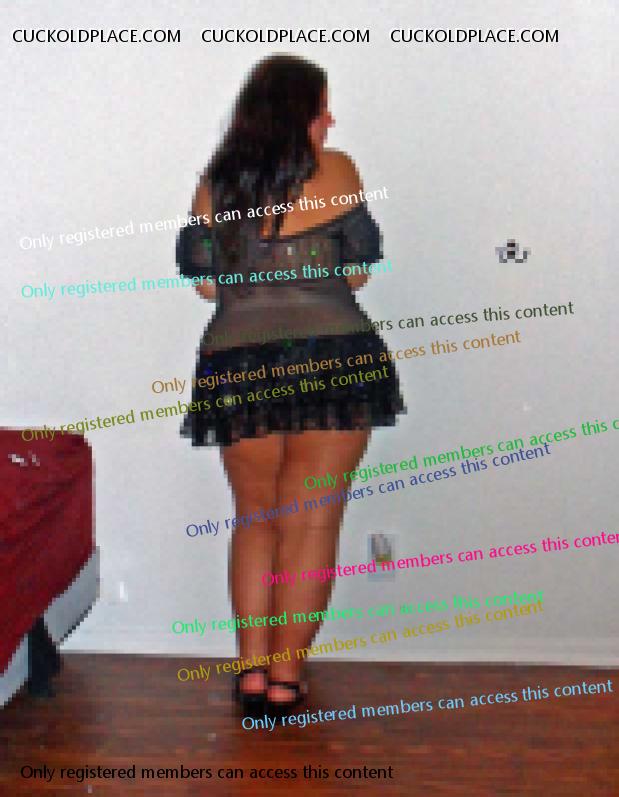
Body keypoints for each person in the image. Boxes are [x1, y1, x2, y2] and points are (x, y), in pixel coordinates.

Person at [177, 54, 405, 716]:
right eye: (321, 108)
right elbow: (356, 274)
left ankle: (251, 674)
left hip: (240, 361)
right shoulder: (339, 170)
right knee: (310, 524)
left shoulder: (215, 185)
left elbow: (208, 287)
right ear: (296, 112)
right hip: (333, 357)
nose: (330, 120)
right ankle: (284, 679)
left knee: (256, 519)